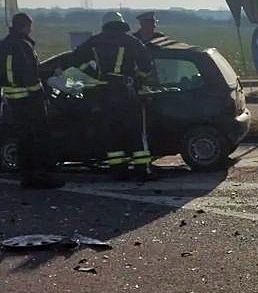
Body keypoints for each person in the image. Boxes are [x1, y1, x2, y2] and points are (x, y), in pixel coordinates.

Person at [71, 12, 155, 181]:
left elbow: (75, 61)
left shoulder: (94, 42)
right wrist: (137, 81)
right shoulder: (131, 42)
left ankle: (118, 170)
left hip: (103, 92)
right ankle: (141, 170)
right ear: (121, 24)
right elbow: (147, 66)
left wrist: (92, 74)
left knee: (112, 132)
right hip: (125, 91)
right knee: (134, 131)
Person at [0, 13, 63, 188]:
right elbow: (31, 77)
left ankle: (28, 177)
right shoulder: (23, 46)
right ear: (26, 25)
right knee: (38, 139)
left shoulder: (4, 45)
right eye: (29, 26)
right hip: (29, 101)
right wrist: (41, 96)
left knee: (24, 140)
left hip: (12, 101)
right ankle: (42, 178)